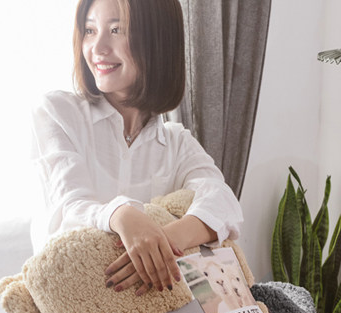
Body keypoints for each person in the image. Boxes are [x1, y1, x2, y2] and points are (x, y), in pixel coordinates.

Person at [30, 0, 243, 295]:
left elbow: (224, 202)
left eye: (117, 30)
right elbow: (67, 210)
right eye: (90, 30)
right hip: (67, 301)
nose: (98, 48)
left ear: (157, 40)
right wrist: (122, 215)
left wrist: (162, 242)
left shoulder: (176, 143)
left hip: (148, 306)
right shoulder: (58, 113)